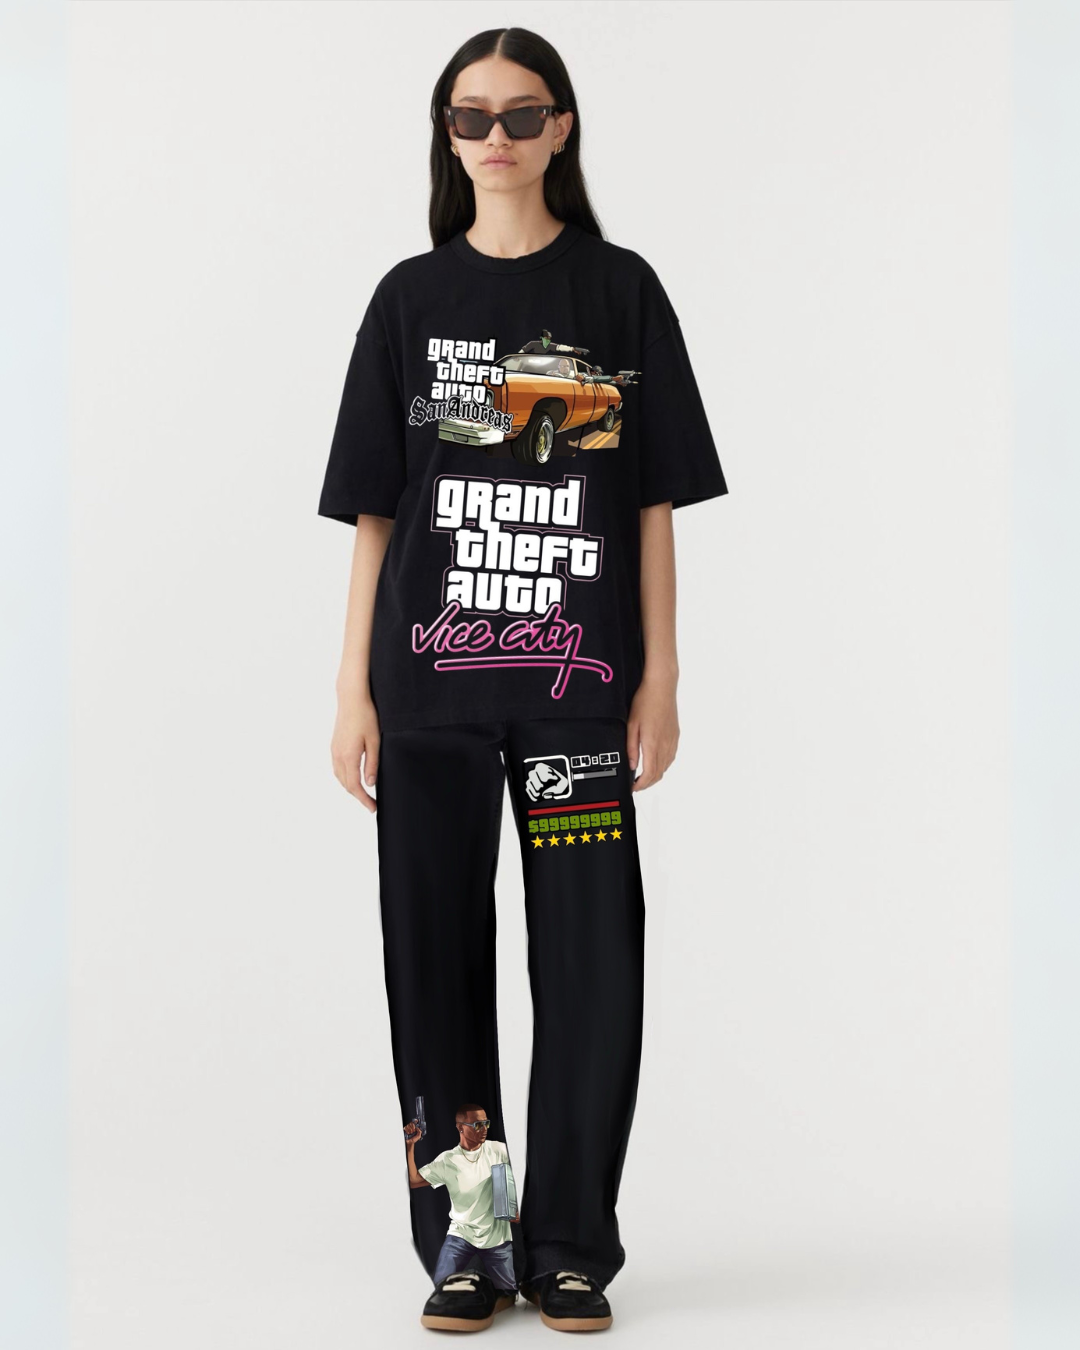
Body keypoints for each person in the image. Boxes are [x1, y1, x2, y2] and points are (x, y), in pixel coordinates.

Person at [318, 26, 728, 1334]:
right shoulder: (407, 300)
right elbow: (377, 513)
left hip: (577, 690)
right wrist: (351, 690)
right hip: (427, 690)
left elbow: (653, 499)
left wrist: (662, 675)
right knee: (435, 962)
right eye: (469, 116)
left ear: (563, 128)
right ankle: (469, 1241)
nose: (494, 137)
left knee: (593, 962)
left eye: (521, 113)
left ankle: (569, 1246)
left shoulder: (619, 290)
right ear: (446, 137)